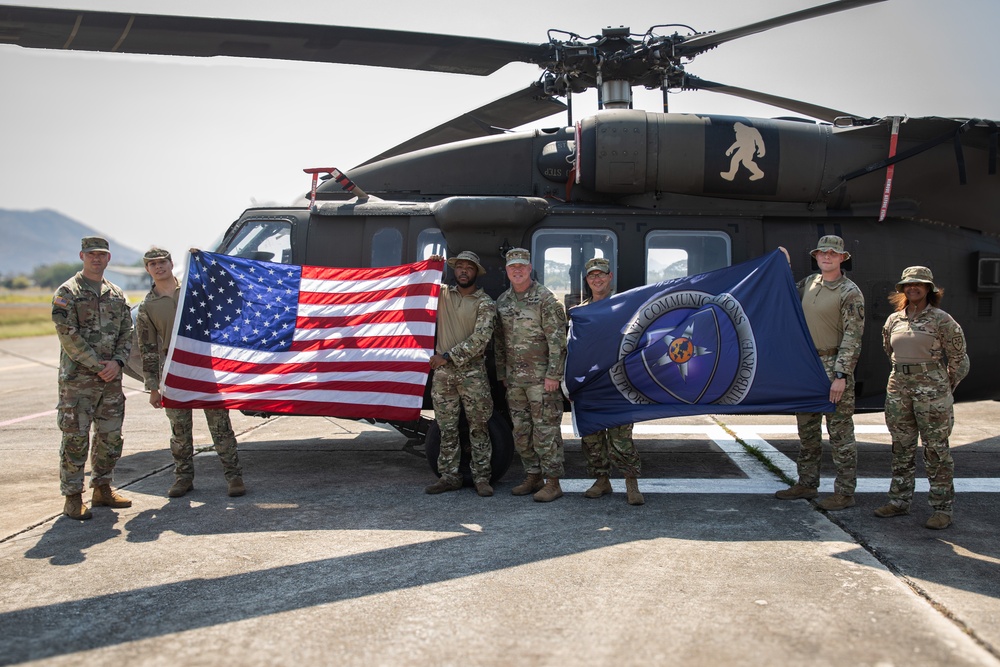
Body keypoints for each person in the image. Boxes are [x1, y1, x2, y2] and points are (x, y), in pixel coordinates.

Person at [135, 247, 245, 498]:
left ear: (172, 263)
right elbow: (148, 349)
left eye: (163, 261)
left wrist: (206, 260)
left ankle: (234, 476)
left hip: (205, 367)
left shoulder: (194, 292)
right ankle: (183, 477)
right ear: (147, 269)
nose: (158, 267)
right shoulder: (147, 307)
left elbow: (227, 300)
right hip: (174, 371)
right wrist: (153, 388)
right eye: (153, 264)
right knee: (180, 431)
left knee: (220, 427)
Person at [875, 266, 969, 530]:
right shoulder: (894, 320)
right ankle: (899, 502)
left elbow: (960, 359)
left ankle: (942, 508)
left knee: (936, 449)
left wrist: (944, 386)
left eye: (919, 284)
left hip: (933, 391)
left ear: (929, 289)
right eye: (908, 284)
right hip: (899, 388)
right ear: (903, 289)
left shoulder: (942, 319)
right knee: (901, 447)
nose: (913, 288)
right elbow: (888, 350)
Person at [775, 236, 865, 510]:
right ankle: (807, 484)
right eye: (822, 253)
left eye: (832, 254)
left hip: (832, 364)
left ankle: (845, 493)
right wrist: (784, 265)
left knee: (840, 434)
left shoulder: (849, 291)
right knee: (808, 433)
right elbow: (785, 293)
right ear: (816, 257)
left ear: (842, 258)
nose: (827, 257)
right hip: (808, 366)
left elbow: (853, 335)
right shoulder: (809, 284)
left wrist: (841, 375)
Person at [51, 236, 134, 520]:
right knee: (75, 440)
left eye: (101, 255)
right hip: (78, 382)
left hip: (110, 381)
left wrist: (118, 362)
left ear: (108, 258)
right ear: (82, 256)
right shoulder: (67, 293)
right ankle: (73, 497)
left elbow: (127, 333)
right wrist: (97, 365)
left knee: (110, 437)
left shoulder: (116, 294)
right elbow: (68, 336)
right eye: (91, 254)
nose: (96, 259)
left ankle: (102, 488)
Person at [494, 247, 567, 502]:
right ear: (507, 271)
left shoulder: (545, 299)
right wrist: (503, 372)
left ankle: (553, 482)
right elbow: (500, 342)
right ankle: (533, 475)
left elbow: (557, 341)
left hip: (541, 380)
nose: (517, 270)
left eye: (521, 266)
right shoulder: (502, 302)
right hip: (515, 381)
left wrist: (553, 376)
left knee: (546, 431)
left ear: (529, 269)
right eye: (512, 267)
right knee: (521, 431)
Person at [424, 251, 497, 497]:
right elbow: (418, 288)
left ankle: (482, 478)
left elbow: (480, 339)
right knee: (447, 428)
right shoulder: (442, 294)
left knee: (478, 427)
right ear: (454, 271)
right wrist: (430, 264)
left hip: (472, 374)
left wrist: (446, 356)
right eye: (460, 267)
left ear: (476, 273)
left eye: (469, 268)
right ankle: (449, 476)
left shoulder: (485, 302)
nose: (464, 271)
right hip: (444, 375)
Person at [574, 257, 644, 505]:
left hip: (618, 382)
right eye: (592, 275)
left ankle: (631, 482)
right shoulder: (580, 313)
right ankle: (601, 480)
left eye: (601, 274)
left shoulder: (624, 308)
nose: (597, 279)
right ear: (587, 280)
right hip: (589, 382)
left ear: (610, 277)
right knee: (592, 437)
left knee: (621, 437)